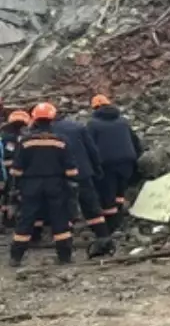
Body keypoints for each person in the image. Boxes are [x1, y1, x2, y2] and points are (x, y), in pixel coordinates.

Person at [10, 103, 78, 267]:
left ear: (34, 119)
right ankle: (64, 257)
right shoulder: (61, 141)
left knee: (26, 219)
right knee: (59, 218)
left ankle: (16, 257)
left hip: (31, 185)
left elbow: (16, 170)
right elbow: (72, 171)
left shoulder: (25, 142)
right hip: (55, 184)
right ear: (52, 119)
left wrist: (18, 187)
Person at [51, 104, 114, 256]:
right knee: (91, 207)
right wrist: (97, 168)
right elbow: (92, 150)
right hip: (83, 173)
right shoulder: (77, 127)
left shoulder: (45, 133)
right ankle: (104, 238)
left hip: (60, 176)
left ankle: (65, 247)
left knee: (63, 209)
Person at [87, 94, 143, 233]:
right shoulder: (122, 121)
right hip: (127, 163)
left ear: (94, 108)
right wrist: (136, 159)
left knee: (107, 196)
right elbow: (135, 142)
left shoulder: (93, 124)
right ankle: (119, 220)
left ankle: (110, 227)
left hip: (107, 165)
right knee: (119, 193)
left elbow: (89, 146)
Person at [1, 109, 30, 230]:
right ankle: (12, 219)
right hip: (14, 171)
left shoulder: (5, 136)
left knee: (8, 195)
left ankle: (8, 219)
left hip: (8, 171)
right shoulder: (23, 137)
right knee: (14, 195)